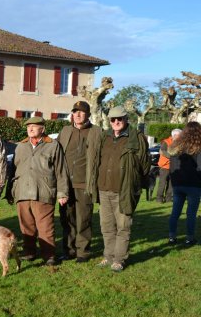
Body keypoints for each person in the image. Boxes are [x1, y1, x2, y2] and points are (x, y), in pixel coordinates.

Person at [93, 106, 150, 272]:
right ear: (109, 121)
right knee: (106, 226)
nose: (116, 122)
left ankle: (119, 259)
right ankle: (108, 256)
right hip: (104, 189)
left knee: (123, 226)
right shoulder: (105, 136)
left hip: (124, 190)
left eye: (120, 119)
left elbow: (144, 165)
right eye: (113, 119)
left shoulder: (137, 137)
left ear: (126, 119)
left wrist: (135, 184)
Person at [6, 116, 69, 266]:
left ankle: (49, 255)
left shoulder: (53, 145)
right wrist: (10, 192)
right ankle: (29, 252)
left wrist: (62, 192)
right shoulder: (20, 146)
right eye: (28, 127)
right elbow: (13, 171)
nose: (30, 129)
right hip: (22, 192)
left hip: (44, 192)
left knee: (45, 227)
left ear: (43, 129)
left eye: (34, 126)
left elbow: (61, 171)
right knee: (26, 226)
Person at [57, 101, 103, 263]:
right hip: (65, 184)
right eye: (75, 111)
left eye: (81, 112)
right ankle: (68, 250)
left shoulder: (97, 132)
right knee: (67, 219)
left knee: (83, 219)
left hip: (85, 184)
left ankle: (83, 251)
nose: (77, 114)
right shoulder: (65, 130)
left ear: (88, 115)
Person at [167, 122, 201, 245]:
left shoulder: (176, 146)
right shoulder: (197, 146)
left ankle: (172, 237)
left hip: (178, 184)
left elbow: (172, 167)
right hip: (193, 184)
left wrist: (174, 181)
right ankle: (189, 238)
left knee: (175, 211)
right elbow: (200, 168)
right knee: (191, 213)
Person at [155, 128, 182, 203]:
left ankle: (168, 199)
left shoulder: (179, 143)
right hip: (164, 166)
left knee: (171, 184)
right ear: (175, 135)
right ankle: (159, 199)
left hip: (174, 166)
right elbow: (162, 151)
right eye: (180, 135)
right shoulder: (166, 142)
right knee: (162, 183)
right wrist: (173, 156)